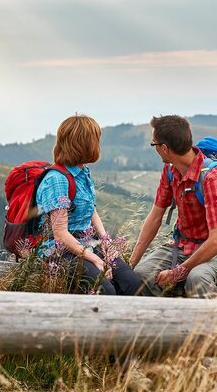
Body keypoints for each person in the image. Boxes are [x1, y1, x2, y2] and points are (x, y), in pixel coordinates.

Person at [36, 114, 144, 296]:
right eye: (96, 140)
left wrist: (106, 242)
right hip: (61, 251)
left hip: (88, 242)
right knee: (105, 291)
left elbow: (90, 209)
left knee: (133, 285)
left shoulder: (83, 171)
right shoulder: (57, 180)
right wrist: (95, 259)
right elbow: (60, 233)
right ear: (85, 144)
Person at [129, 115, 217, 298]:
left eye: (154, 144)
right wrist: (131, 264)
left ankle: (210, 325)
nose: (155, 149)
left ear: (164, 148)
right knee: (141, 275)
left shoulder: (212, 177)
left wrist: (178, 272)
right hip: (181, 244)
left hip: (212, 250)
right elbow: (155, 218)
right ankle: (168, 320)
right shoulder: (170, 170)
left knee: (197, 279)